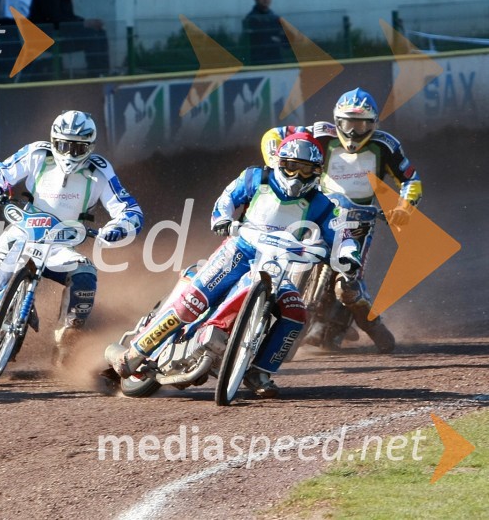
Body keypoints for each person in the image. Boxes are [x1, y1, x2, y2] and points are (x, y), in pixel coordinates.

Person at [106, 133, 361, 397]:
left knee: (296, 313)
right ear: (278, 163)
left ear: (317, 172)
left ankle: (260, 371)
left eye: (306, 169)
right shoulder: (256, 178)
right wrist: (222, 218)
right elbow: (227, 199)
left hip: (278, 265)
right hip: (239, 251)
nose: (297, 175)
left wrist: (348, 256)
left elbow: (342, 235)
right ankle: (135, 352)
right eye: (291, 166)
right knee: (191, 302)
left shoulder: (322, 203)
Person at [0, 110, 143, 370]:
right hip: (21, 232)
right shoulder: (36, 154)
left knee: (86, 273)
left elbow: (129, 209)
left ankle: (68, 343)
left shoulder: (99, 170)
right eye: (64, 145)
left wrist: (119, 226)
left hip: (61, 245)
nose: (70, 154)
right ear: (54, 141)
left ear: (90, 147)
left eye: (78, 148)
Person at [260, 88, 423, 353]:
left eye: (361, 125)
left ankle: (370, 322)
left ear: (373, 124)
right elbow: (275, 135)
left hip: (360, 222)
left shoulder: (386, 145)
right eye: (348, 124)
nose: (354, 132)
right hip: (318, 213)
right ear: (337, 122)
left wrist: (404, 209)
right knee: (283, 255)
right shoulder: (320, 133)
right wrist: (274, 163)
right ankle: (258, 312)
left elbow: (410, 180)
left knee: (347, 285)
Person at [29, 0, 110, 77]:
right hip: (48, 37)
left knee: (99, 32)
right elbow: (56, 20)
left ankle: (104, 73)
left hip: (60, 33)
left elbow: (68, 17)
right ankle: (95, 75)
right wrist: (84, 23)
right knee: (92, 36)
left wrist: (86, 22)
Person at [243, 0, 287, 66]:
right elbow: (261, 42)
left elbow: (286, 44)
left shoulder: (275, 18)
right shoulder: (250, 19)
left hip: (277, 65)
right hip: (259, 65)